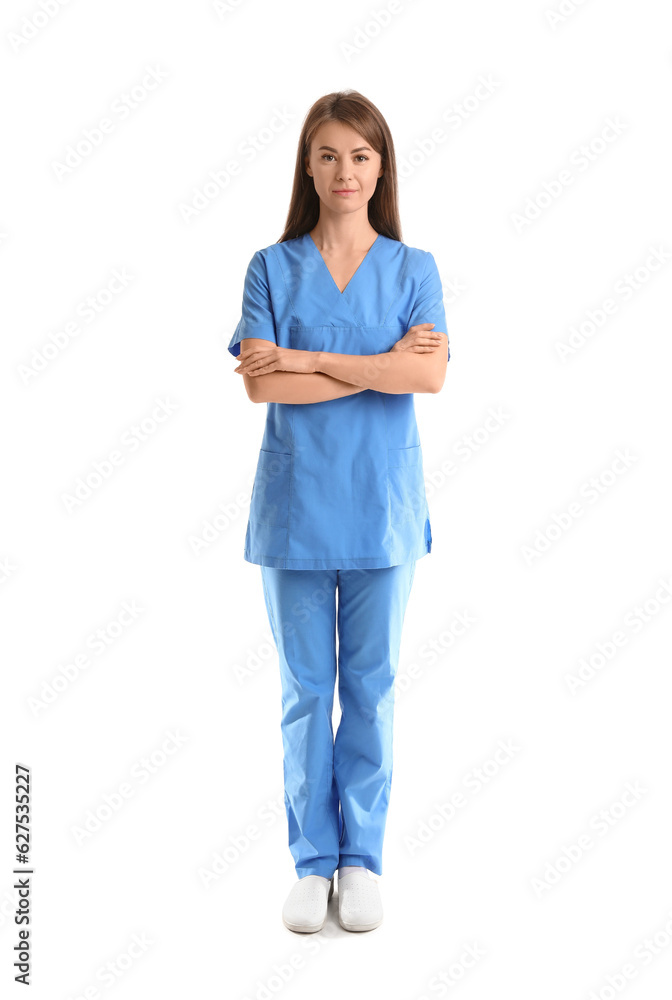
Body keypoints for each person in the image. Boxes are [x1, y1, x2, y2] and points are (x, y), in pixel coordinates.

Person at [228, 89, 450, 933]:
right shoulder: (270, 267)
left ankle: (361, 860)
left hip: (383, 508)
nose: (344, 171)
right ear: (307, 166)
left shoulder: (413, 267)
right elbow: (259, 384)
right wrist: (375, 362)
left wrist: (312, 357)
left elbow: (427, 377)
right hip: (295, 509)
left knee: (373, 687)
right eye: (327, 155)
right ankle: (311, 861)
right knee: (303, 690)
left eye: (360, 155)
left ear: (381, 166)